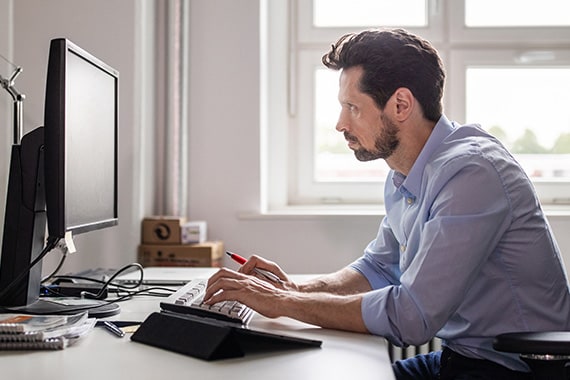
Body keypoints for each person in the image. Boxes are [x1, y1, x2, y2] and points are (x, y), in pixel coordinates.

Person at [204, 28, 570, 379]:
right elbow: (378, 268)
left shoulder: (472, 173)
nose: (339, 124)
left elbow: (411, 317)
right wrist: (295, 290)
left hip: (511, 370)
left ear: (400, 104)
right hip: (460, 359)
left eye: (353, 107)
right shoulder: (406, 176)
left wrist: (282, 304)